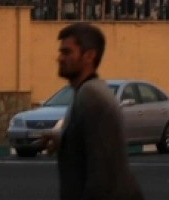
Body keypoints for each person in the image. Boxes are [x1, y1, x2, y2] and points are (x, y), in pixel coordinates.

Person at [46, 23, 144, 200]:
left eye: (67, 52)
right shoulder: (85, 91)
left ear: (89, 56)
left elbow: (102, 171)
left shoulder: (91, 95)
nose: (59, 58)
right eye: (61, 52)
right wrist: (62, 141)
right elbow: (90, 141)